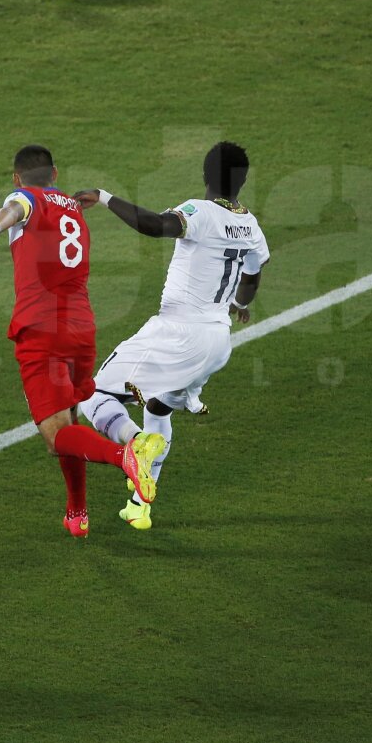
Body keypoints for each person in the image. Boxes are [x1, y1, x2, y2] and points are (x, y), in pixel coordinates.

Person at [73, 141, 270, 530]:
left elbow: (156, 226)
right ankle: (139, 506)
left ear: (205, 175)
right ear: (243, 181)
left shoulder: (199, 211)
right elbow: (251, 281)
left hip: (179, 334)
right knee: (159, 407)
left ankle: (134, 446)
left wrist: (105, 197)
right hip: (217, 342)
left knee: (91, 396)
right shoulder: (251, 225)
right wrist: (239, 303)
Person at [0, 144, 165, 537]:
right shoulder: (74, 209)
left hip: (41, 330)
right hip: (81, 329)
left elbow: (17, 207)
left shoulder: (24, 197)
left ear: (17, 178)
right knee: (70, 416)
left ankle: (126, 455)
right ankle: (77, 512)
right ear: (56, 173)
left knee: (55, 435)